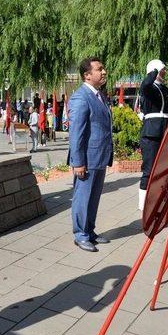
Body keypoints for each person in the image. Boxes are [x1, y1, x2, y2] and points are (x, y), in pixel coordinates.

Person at [68, 57, 113, 252]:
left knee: (93, 198)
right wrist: (78, 162)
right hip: (86, 159)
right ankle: (80, 235)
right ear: (87, 75)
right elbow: (76, 132)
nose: (103, 72)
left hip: (99, 157)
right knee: (82, 197)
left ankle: (90, 231)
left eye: (103, 69)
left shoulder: (99, 96)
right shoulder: (80, 97)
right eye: (99, 69)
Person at [137, 59, 168, 210]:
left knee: (163, 169)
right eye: (162, 70)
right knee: (149, 170)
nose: (165, 72)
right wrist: (155, 70)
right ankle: (143, 203)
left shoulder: (165, 89)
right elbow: (145, 84)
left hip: (164, 130)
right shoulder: (149, 88)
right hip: (151, 133)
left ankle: (158, 198)